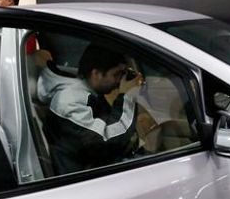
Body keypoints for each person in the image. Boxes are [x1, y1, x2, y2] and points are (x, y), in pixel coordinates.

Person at [37, 44, 149, 174]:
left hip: (98, 166)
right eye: (117, 74)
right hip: (83, 179)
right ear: (96, 73)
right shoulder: (69, 101)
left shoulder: (89, 93)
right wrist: (127, 96)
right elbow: (106, 140)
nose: (119, 81)